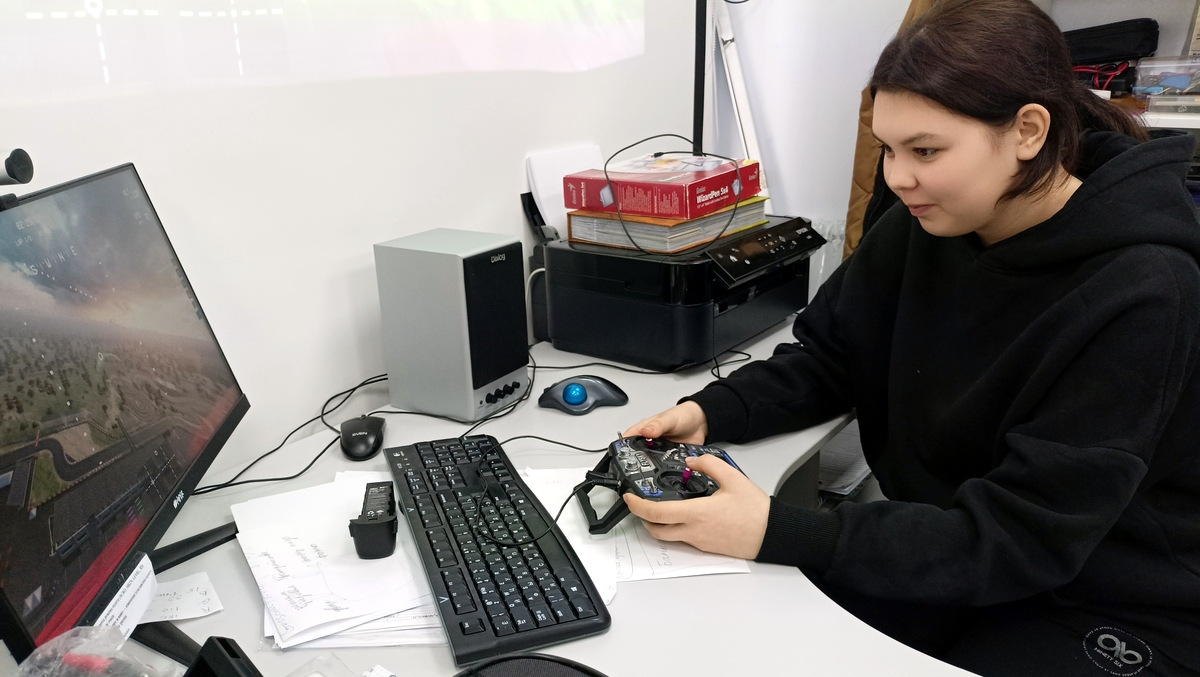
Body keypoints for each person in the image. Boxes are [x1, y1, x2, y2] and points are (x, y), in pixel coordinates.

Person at [621, 1, 1200, 675]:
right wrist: (712, 410)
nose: (897, 177)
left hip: (1107, 595)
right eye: (890, 149)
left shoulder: (1145, 289)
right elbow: (831, 358)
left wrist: (776, 528)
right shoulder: (928, 222)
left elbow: (1025, 537)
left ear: (1028, 131)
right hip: (955, 548)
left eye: (925, 151)